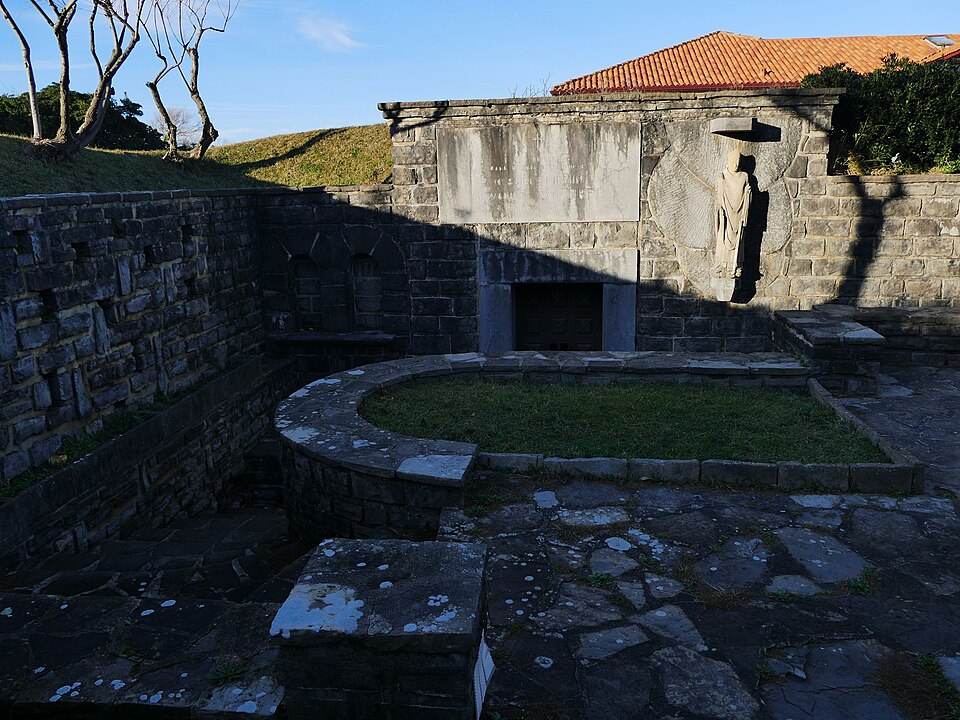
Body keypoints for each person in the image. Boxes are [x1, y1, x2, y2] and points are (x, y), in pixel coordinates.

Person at [713, 150, 751, 301]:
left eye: (738, 161)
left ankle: (734, 268)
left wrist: (748, 195)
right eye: (733, 160)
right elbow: (718, 199)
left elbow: (747, 194)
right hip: (726, 216)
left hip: (738, 215)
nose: (736, 164)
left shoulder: (744, 176)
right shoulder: (721, 177)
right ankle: (722, 266)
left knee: (738, 244)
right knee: (723, 242)